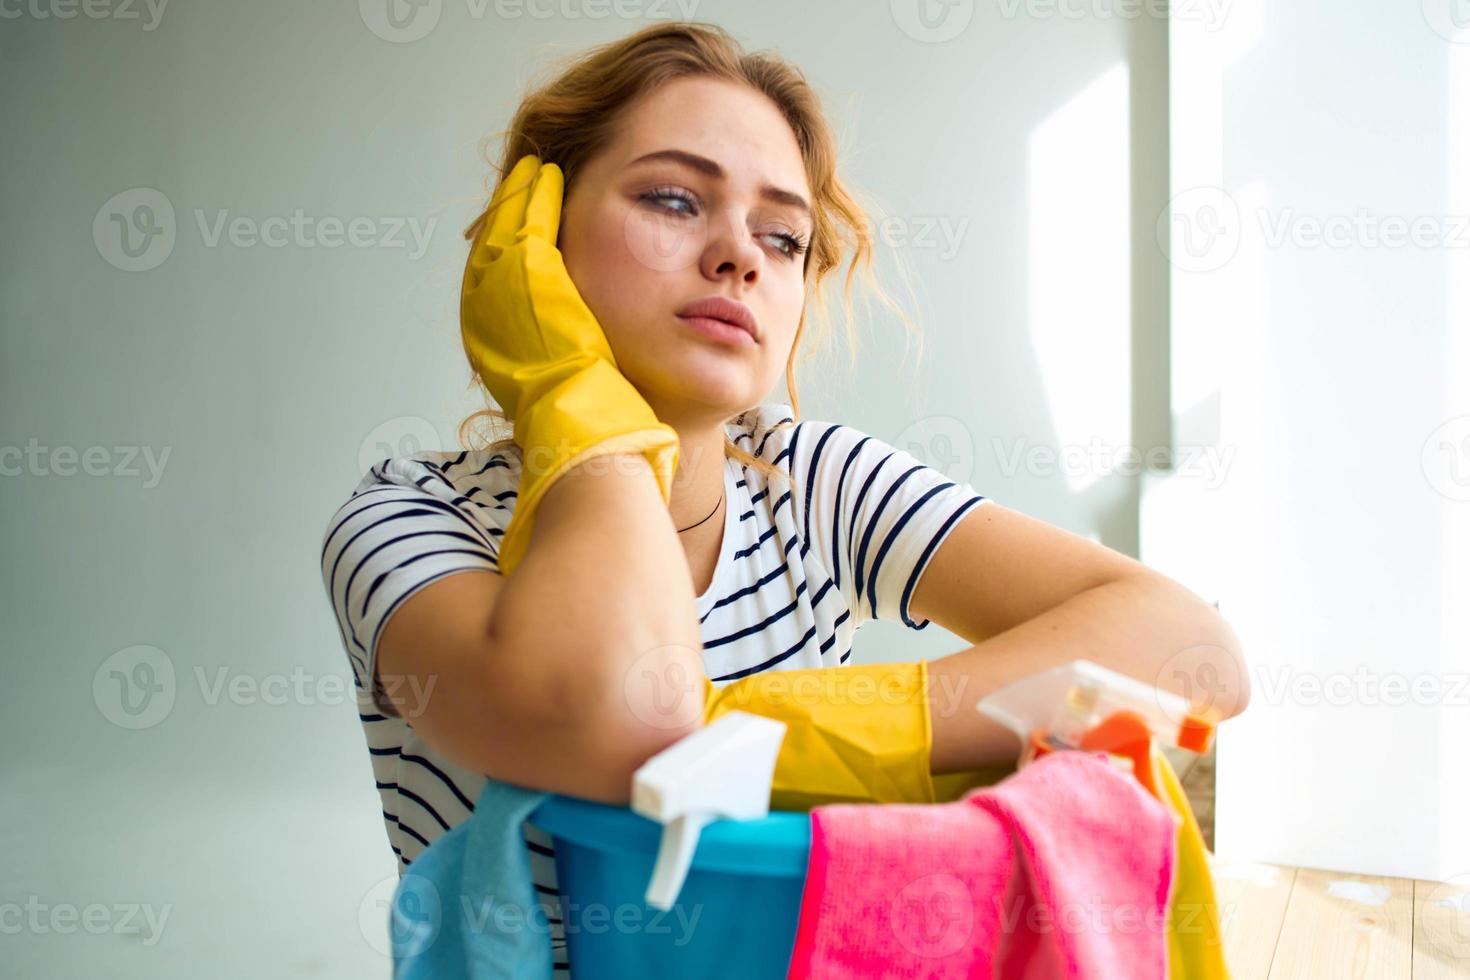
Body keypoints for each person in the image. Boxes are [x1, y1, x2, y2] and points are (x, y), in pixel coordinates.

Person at [319, 21, 1250, 976]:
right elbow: (625, 727)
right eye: (675, 199)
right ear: (537, 244)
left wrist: (790, 731)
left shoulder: (810, 479)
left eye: (784, 235)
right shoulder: (407, 518)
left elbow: (1196, 655)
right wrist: (570, 394)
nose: (741, 257)